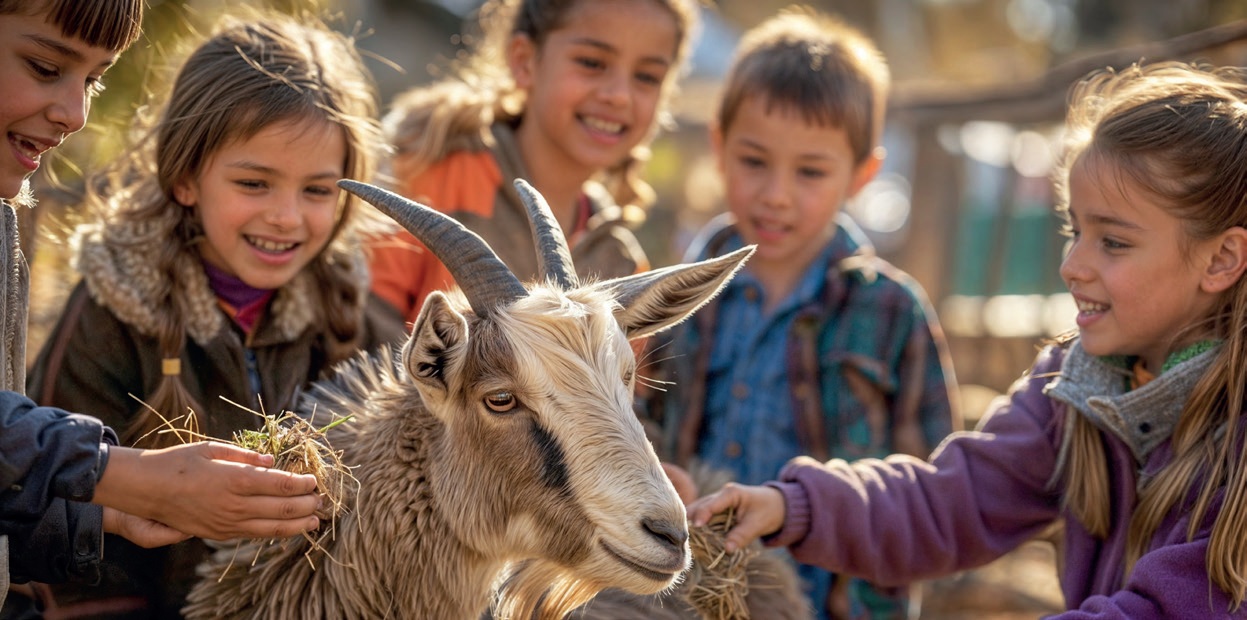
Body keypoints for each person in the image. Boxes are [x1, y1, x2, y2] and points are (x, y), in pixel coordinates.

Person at [689, 60, 1247, 618]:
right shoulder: (1076, 388)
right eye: (1075, 231)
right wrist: (796, 506)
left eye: (1114, 242)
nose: (1072, 265)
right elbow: (955, 500)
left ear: (1222, 259)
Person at [20, 10, 403, 617]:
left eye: (317, 190)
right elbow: (58, 519)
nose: (286, 217)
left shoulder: (352, 321)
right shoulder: (112, 312)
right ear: (186, 179)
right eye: (254, 183)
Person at [641, 8, 958, 619]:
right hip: (692, 598)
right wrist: (657, 473)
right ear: (719, 147)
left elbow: (934, 492)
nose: (776, 194)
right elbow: (638, 425)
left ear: (862, 174)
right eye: (754, 161)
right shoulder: (674, 299)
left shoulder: (892, 312)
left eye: (810, 171)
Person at [369, 0, 700, 327]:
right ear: (524, 61)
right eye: (592, 62)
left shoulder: (622, 265)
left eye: (647, 77)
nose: (620, 95)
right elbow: (363, 334)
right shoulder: (431, 176)